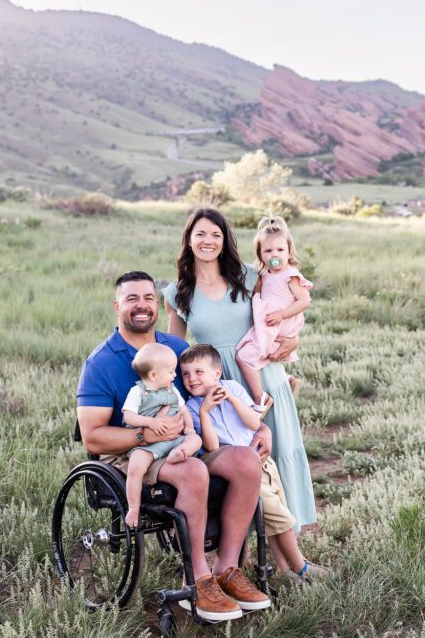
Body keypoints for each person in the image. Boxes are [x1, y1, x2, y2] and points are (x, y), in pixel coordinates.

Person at [77, 271, 272, 621]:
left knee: (245, 461)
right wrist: (145, 435)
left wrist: (261, 428)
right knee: (194, 469)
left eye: (149, 298)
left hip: (188, 441)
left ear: (157, 303)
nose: (142, 306)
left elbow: (215, 394)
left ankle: (227, 570)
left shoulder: (178, 349)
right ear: (117, 305)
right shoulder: (102, 362)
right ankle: (196, 580)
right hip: (133, 452)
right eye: (132, 299)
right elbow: (92, 436)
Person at [162, 208, 318, 532]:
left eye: (216, 234)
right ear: (188, 240)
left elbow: (280, 312)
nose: (208, 241)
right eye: (201, 234)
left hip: (263, 378)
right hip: (221, 389)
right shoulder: (178, 294)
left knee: (281, 453)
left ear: (225, 240)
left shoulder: (248, 276)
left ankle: (290, 551)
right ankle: (244, 551)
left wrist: (291, 341)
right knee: (245, 468)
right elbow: (175, 353)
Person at [181, 344, 328, 582]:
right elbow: (212, 448)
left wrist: (231, 399)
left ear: (217, 373)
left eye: (199, 372)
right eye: (186, 374)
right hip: (243, 470)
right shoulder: (193, 407)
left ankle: (283, 568)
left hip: (265, 463)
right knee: (280, 516)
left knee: (275, 513)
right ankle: (300, 566)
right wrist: (205, 413)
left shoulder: (234, 388)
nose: (192, 379)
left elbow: (253, 422)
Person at [120, 342, 202, 527]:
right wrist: (150, 422)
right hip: (148, 445)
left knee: (195, 439)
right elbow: (129, 416)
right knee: (135, 467)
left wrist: (189, 427)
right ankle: (133, 508)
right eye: (171, 371)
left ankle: (180, 453)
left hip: (174, 440)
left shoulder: (172, 390)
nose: (175, 375)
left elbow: (184, 411)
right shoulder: (138, 391)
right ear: (153, 375)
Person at [235, 216, 313, 409]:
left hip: (279, 324)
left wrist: (282, 314)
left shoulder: (290, 275)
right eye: (268, 251)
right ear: (261, 255)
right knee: (260, 357)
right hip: (269, 323)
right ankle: (286, 380)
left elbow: (305, 301)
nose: (274, 254)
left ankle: (259, 398)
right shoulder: (265, 275)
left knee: (244, 356)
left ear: (288, 251)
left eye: (280, 249)